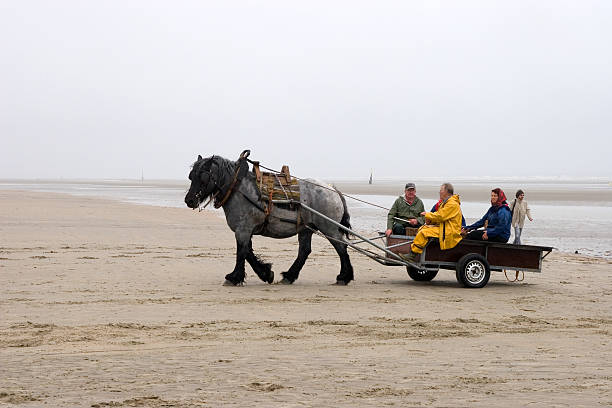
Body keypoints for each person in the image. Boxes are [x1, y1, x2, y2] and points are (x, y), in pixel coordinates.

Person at [404, 183, 463, 263]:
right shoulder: (445, 203)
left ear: (446, 191)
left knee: (424, 233)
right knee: (422, 228)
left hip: (450, 231)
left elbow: (441, 216)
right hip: (444, 227)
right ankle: (421, 253)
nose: (439, 192)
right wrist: (430, 221)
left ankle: (412, 255)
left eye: (441, 190)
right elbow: (441, 218)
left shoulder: (452, 204)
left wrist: (427, 214)